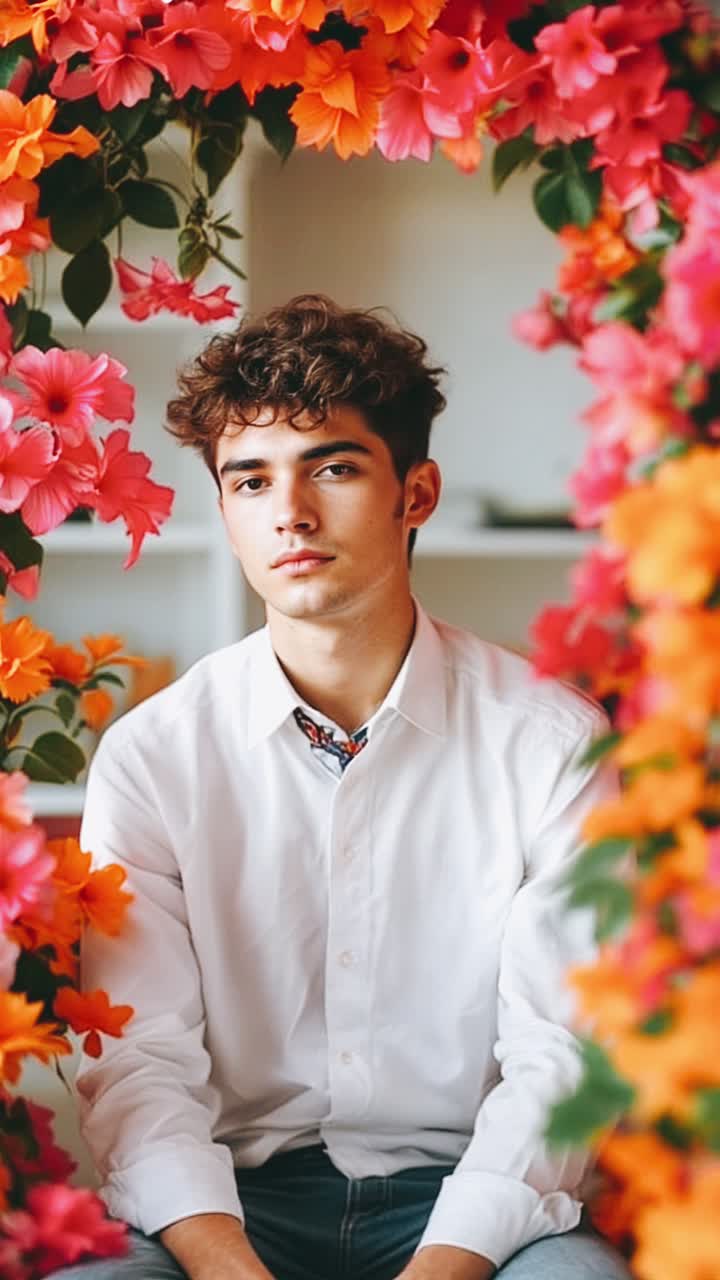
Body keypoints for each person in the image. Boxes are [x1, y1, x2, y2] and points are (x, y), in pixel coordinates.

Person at [51, 295, 631, 1280]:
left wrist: (443, 1264)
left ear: (417, 492)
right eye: (251, 479)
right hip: (227, 1203)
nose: (292, 510)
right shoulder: (154, 754)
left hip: (479, 1204)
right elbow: (137, 1055)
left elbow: (560, 1056)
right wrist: (230, 1266)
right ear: (226, 512)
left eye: (334, 465)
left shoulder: (552, 743)